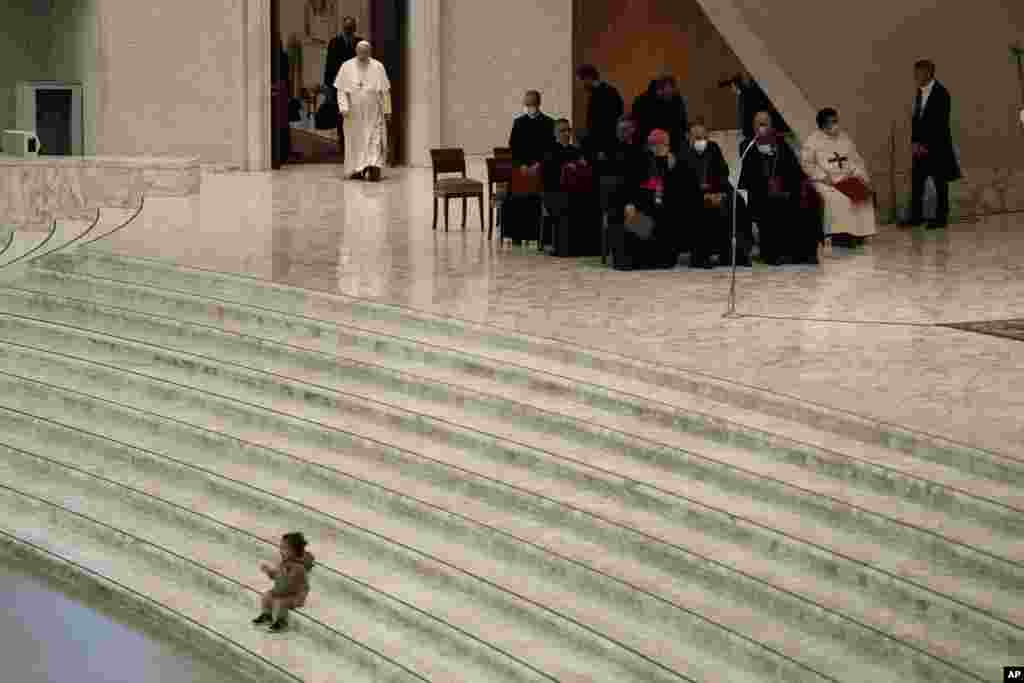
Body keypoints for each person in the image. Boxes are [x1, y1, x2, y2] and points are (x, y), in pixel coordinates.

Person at [608, 129, 702, 270]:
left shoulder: (678, 164)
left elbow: (686, 194)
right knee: (631, 222)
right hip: (641, 211)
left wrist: (672, 171)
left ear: (667, 145)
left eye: (661, 145)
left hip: (666, 215)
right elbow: (626, 187)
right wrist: (629, 204)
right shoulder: (640, 161)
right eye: (653, 144)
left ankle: (657, 258)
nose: (657, 148)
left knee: (665, 229)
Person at [739, 110, 819, 265]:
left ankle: (803, 254)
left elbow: (794, 169)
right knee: (771, 207)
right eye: (758, 123)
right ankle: (773, 254)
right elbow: (748, 175)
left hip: (785, 191)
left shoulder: (781, 143)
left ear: (771, 125)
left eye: (765, 123)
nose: (762, 127)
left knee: (806, 203)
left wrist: (789, 187)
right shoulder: (747, 145)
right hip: (761, 194)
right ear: (753, 126)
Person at [801, 107, 877, 247]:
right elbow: (807, 164)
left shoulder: (844, 137)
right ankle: (836, 235)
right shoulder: (812, 141)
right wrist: (823, 177)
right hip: (826, 181)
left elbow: (855, 160)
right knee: (837, 198)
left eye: (837, 121)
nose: (836, 124)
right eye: (833, 122)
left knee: (863, 195)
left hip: (846, 178)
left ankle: (862, 233)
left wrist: (860, 176)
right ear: (823, 124)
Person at [902, 59, 961, 229]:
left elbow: (938, 123)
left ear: (929, 73)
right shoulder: (920, 92)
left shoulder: (941, 93)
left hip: (937, 147)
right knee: (917, 183)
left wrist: (924, 144)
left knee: (940, 183)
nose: (916, 76)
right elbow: (917, 120)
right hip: (920, 147)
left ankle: (941, 218)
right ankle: (916, 217)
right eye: (915, 72)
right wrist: (914, 143)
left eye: (919, 72)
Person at [685, 119, 751, 268]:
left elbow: (723, 172)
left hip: (717, 191)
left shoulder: (713, 148)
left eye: (704, 137)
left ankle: (733, 254)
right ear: (689, 138)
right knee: (702, 208)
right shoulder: (684, 153)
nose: (701, 141)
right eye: (697, 138)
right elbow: (683, 181)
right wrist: (703, 195)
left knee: (737, 201)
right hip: (693, 195)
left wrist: (719, 193)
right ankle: (701, 256)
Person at [335, 41, 391, 181]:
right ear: (356, 51)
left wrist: (387, 110)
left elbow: (385, 91)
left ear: (370, 52)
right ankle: (356, 169)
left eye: (366, 52)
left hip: (373, 112)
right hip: (354, 115)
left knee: (375, 139)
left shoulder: (378, 66)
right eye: (360, 51)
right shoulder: (346, 66)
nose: (363, 54)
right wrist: (343, 107)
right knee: (356, 143)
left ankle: (373, 166)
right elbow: (341, 90)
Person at [504, 91, 555, 244]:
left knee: (539, 198)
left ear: (538, 103)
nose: (529, 107)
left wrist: (539, 164)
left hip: (541, 169)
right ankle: (517, 235)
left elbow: (550, 148)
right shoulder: (518, 122)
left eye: (531, 104)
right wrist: (522, 165)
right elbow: (513, 146)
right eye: (527, 104)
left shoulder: (548, 122)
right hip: (522, 169)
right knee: (515, 198)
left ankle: (540, 235)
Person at [542, 119, 599, 256]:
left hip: (577, 192)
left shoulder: (576, 151)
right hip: (555, 194)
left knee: (592, 202)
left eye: (568, 130)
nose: (566, 133)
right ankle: (565, 248)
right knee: (567, 203)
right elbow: (549, 179)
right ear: (555, 133)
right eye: (563, 130)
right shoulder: (549, 151)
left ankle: (588, 248)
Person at [253, 532, 315, 633]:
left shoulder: (299, 568)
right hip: (280, 591)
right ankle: (267, 615)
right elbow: (276, 576)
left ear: (295, 551)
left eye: (285, 549)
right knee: (266, 596)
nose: (281, 551)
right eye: (281, 548)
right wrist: (269, 571)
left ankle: (281, 622)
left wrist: (299, 597)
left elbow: (300, 585)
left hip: (293, 595)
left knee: (280, 603)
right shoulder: (283, 563)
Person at [324, 16, 363, 155]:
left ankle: (355, 144)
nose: (349, 30)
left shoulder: (360, 43)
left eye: (351, 27)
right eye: (347, 27)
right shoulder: (334, 42)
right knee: (341, 115)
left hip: (357, 85)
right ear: (343, 28)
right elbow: (329, 65)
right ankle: (343, 144)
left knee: (356, 115)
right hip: (339, 84)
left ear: (355, 28)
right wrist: (328, 85)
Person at [730, 72, 790, 155]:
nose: (731, 88)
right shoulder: (747, 93)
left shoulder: (747, 95)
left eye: (732, 86)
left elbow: (746, 116)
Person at [576, 64, 624, 164]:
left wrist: (601, 149)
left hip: (603, 148)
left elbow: (604, 125)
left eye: (582, 81)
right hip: (604, 146)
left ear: (588, 78)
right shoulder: (608, 91)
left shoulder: (602, 94)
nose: (581, 85)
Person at [632, 75, 688, 156]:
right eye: (667, 90)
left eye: (672, 90)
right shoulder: (643, 101)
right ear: (659, 89)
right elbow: (639, 126)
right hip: (649, 147)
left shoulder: (676, 100)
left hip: (672, 146)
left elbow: (682, 123)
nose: (670, 93)